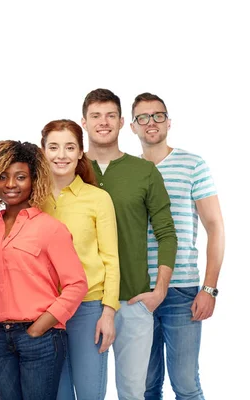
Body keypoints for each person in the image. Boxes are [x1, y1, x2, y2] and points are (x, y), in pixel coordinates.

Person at [0, 140, 87, 400]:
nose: (11, 184)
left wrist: (41, 325)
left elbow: (76, 284)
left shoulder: (50, 228)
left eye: (20, 177)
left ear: (34, 180)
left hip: (40, 337)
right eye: (3, 177)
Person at [81, 88, 178, 400]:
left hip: (133, 300)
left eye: (110, 115)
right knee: (84, 393)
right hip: (83, 301)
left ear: (122, 122)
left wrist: (160, 290)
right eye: (96, 115)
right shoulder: (70, 168)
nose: (104, 122)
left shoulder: (144, 171)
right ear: (84, 122)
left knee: (134, 393)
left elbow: (166, 233)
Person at [130, 92, 225, 400]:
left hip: (182, 290)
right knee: (145, 386)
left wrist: (209, 289)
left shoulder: (192, 165)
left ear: (169, 122)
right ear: (132, 126)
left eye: (158, 116)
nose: (151, 123)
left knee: (185, 384)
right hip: (138, 292)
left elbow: (215, 227)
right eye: (142, 117)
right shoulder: (127, 171)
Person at [40, 119, 120, 400]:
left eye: (69, 147)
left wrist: (108, 313)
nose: (61, 155)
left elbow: (111, 259)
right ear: (43, 151)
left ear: (80, 153)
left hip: (88, 309)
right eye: (53, 147)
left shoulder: (98, 199)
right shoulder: (32, 200)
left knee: (89, 393)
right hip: (46, 311)